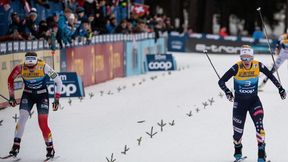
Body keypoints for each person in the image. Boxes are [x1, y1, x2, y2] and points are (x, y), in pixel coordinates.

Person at [218, 45, 286, 162]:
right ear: (241, 58)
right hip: (239, 104)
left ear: (252, 57)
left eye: (249, 58)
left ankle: (261, 155)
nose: (246, 61)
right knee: (237, 134)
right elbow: (221, 81)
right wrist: (228, 92)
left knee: (260, 127)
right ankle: (238, 153)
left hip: (254, 102)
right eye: (243, 58)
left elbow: (270, 75)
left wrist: (280, 88)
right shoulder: (236, 67)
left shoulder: (257, 65)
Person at [7, 51, 62, 159]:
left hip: (42, 96)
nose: (31, 68)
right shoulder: (20, 67)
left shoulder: (44, 66)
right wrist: (11, 97)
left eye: (32, 65)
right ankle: (15, 146)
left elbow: (58, 81)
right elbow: (10, 79)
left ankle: (50, 148)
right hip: (28, 95)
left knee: (42, 123)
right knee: (22, 118)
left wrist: (57, 100)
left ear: (36, 62)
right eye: (28, 66)